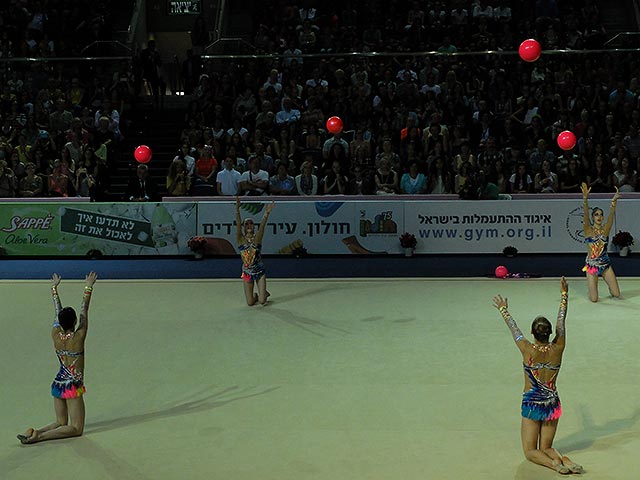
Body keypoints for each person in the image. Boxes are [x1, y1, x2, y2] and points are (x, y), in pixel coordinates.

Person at [492, 277, 583, 475]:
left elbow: (513, 329)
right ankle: (564, 459)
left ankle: (555, 465)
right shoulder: (558, 346)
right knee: (547, 447)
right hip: (552, 402)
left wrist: (503, 309)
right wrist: (564, 295)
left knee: (530, 451)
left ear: (532, 332)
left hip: (532, 404)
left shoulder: (527, 349)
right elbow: (561, 320)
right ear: (550, 333)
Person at [17, 272, 98, 444]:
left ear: (59, 323)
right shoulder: (78, 338)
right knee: (76, 428)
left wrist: (54, 289)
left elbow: (57, 311)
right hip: (72, 384)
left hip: (58, 382)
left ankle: (35, 431)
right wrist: (88, 286)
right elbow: (84, 310)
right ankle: (39, 436)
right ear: (75, 321)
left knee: (60, 422)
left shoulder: (55, 334)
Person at [581, 182, 621, 302]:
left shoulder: (605, 230)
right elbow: (586, 215)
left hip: (605, 265)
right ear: (593, 217)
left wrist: (613, 202)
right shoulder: (588, 230)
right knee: (594, 299)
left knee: (616, 294)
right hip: (592, 266)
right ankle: (591, 287)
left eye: (601, 215)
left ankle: (609, 286)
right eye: (596, 215)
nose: (599, 217)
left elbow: (611, 217)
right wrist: (585, 199)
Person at [235, 198, 274, 306]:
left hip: (259, 271)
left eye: (251, 223)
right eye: (246, 224)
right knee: (250, 303)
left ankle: (263, 294)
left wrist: (266, 213)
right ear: (243, 226)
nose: (249, 225)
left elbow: (262, 227)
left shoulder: (257, 238)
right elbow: (238, 225)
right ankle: (257, 295)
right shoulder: (240, 239)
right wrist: (237, 210)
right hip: (246, 273)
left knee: (262, 302)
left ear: (253, 226)